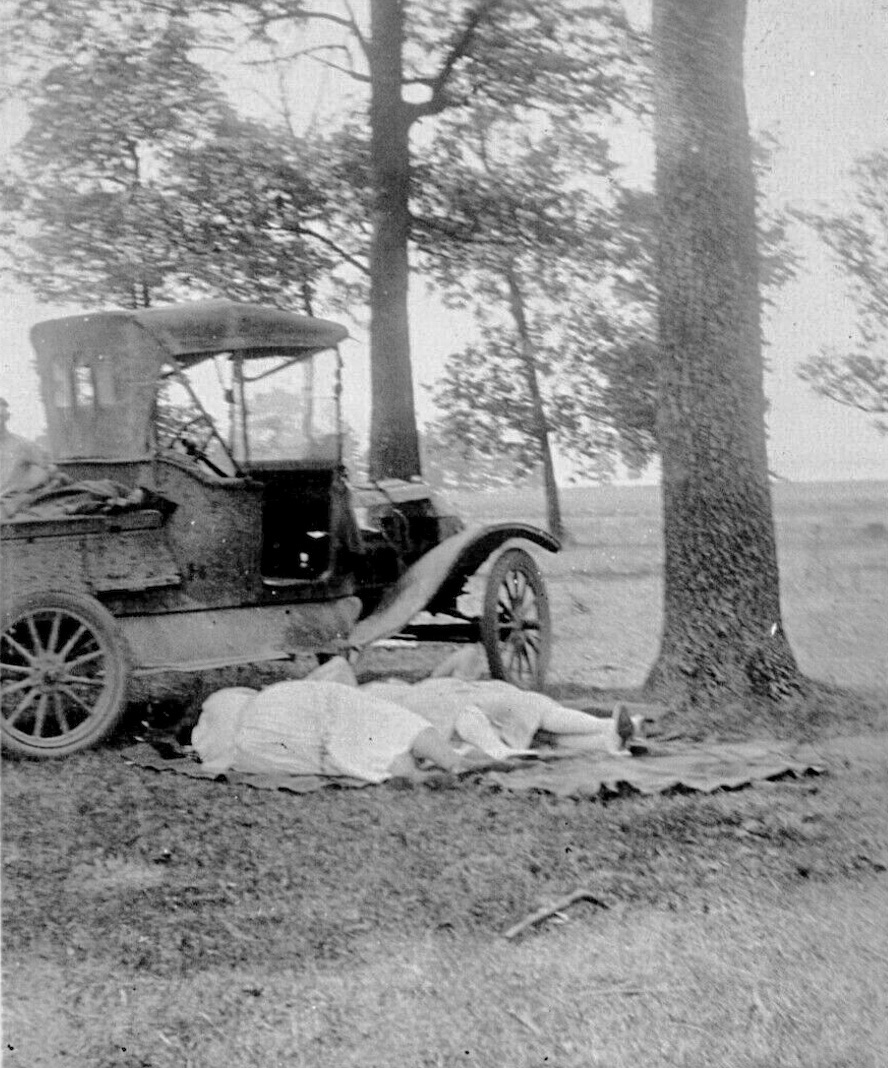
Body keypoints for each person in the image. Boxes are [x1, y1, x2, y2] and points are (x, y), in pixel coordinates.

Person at [191, 651, 645, 783]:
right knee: (515, 718)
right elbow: (336, 679)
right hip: (441, 711)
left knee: (528, 709)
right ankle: (606, 736)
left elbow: (465, 660)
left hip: (444, 701)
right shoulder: (360, 698)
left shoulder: (377, 691)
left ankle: (609, 734)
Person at [0, 397, 55, 499]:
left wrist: (31, 489)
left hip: (9, 503)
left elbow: (51, 469)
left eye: (0, 417)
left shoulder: (22, 445)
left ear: (5, 418)